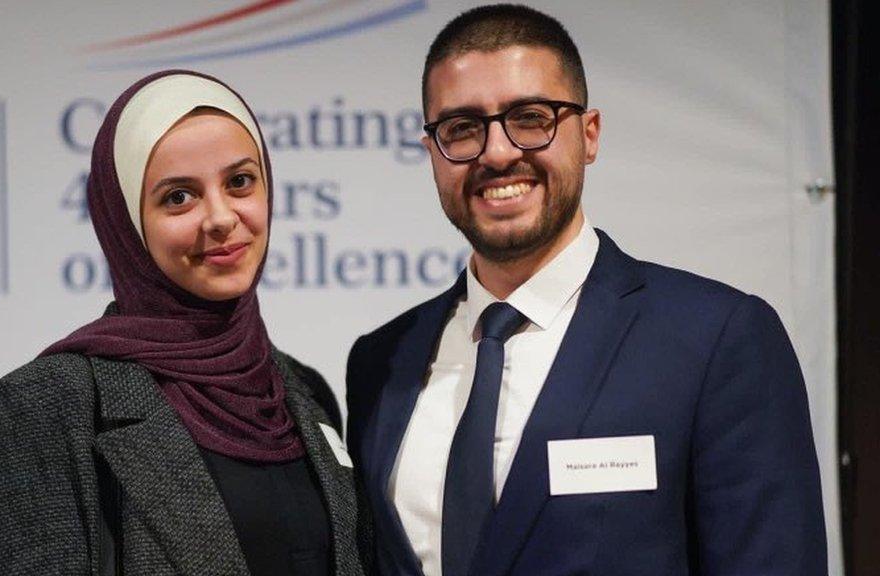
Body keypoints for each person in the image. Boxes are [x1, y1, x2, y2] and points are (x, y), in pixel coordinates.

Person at [345, 5, 826, 576]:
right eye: (462, 128)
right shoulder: (380, 362)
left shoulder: (715, 341)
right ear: (432, 153)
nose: (497, 153)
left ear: (589, 134)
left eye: (531, 117)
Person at [0, 70, 372, 576]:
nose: (221, 217)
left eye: (239, 182)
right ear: (125, 223)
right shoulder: (48, 403)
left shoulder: (307, 392)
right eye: (178, 197)